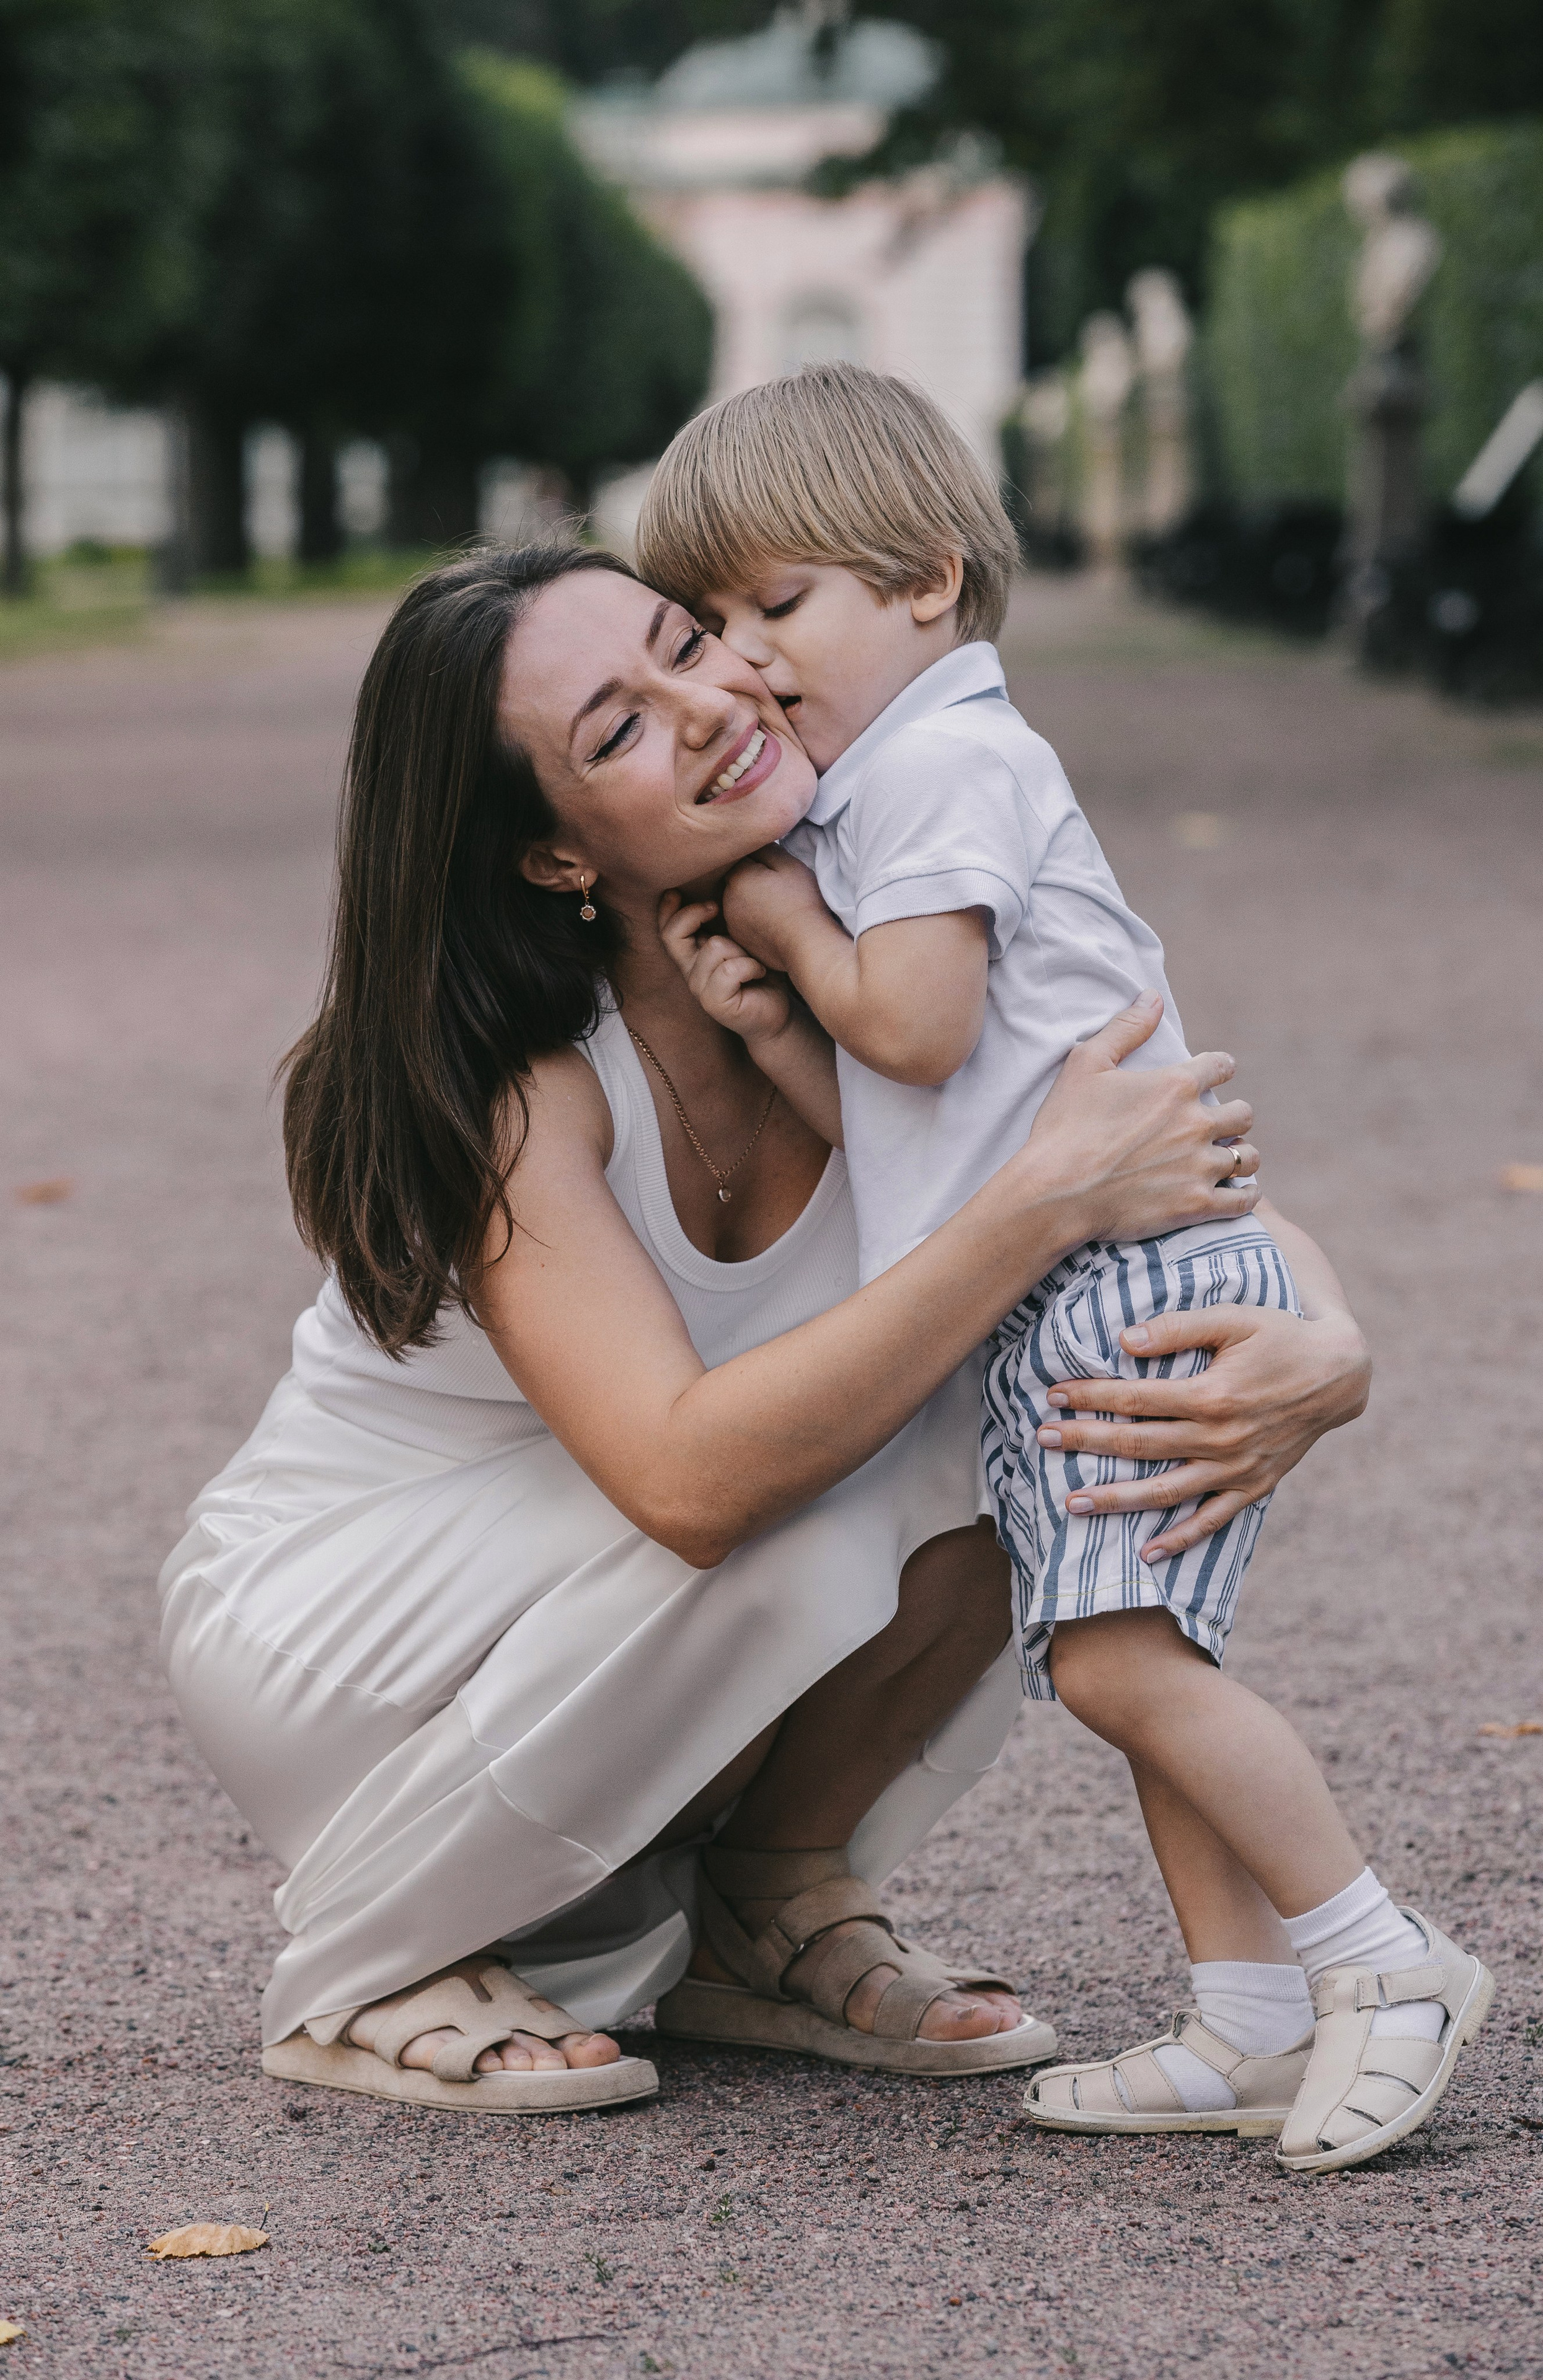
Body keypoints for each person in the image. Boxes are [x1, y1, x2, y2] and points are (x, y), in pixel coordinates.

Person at [158, 540, 1368, 2119]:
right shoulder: (528, 1090)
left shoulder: (887, 964)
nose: (708, 705)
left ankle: (765, 1903)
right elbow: (689, 1484)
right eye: (617, 729)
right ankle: (375, 1962)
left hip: (621, 1583)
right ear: (553, 855)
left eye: (686, 643)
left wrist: (1329, 1343)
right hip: (349, 1622)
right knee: (884, 1439)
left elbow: (1162, 1184)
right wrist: (1032, 1206)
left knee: (1020, 1399)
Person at [633, 363, 1492, 2175]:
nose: (747, 660)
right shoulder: (902, 778)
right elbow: (917, 1122)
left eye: (780, 603)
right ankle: (1249, 2020)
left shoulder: (938, 765)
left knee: (1116, 1667)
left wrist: (779, 915)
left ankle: (1379, 1957)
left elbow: (921, 1031)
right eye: (714, 623)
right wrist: (781, 1029)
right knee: (1135, 1653)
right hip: (1073, 1280)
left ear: (925, 580)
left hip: (1118, 1283)